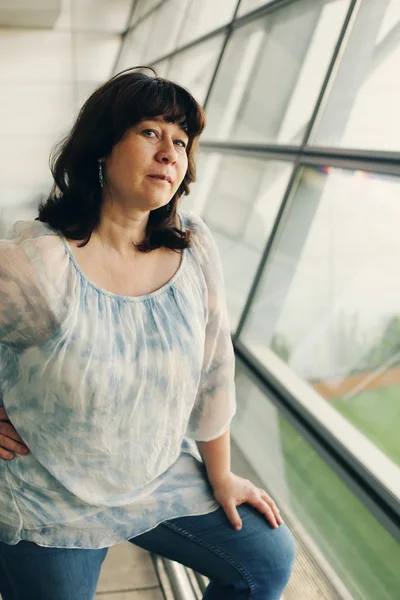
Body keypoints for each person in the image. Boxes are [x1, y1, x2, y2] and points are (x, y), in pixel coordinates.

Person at [0, 67, 295, 600]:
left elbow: (213, 374)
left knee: (267, 559)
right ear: (101, 148)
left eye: (181, 141)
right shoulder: (38, 264)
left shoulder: (193, 249)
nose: (170, 153)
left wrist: (222, 476)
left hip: (155, 474)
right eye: (150, 132)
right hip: (49, 494)